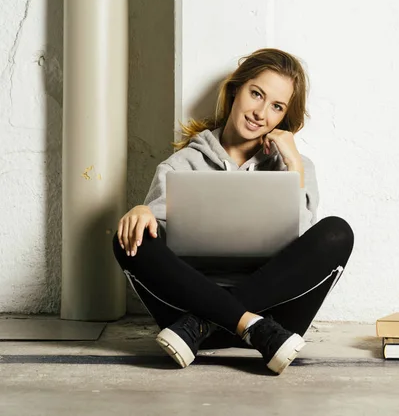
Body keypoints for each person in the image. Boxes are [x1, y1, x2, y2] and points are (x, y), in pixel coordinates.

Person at [112, 48, 354, 375]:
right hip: (204, 315)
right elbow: (157, 238)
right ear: (235, 90)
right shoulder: (182, 164)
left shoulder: (296, 166)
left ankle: (208, 322)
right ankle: (244, 323)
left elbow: (301, 244)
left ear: (284, 118)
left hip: (264, 322)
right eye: (256, 94)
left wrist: (293, 165)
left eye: (277, 106)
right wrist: (142, 212)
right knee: (129, 235)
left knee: (337, 232)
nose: (261, 113)